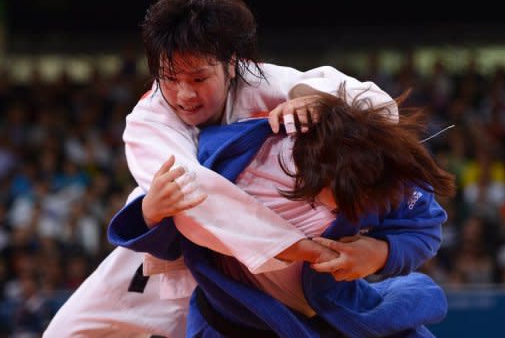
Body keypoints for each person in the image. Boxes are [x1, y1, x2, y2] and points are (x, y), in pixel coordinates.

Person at [44, 0, 399, 338]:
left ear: (231, 65)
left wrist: (319, 102)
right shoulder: (148, 119)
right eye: (170, 78)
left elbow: (383, 109)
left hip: (254, 275)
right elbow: (194, 194)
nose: (184, 94)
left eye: (199, 78)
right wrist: (298, 248)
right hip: (168, 265)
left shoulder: (259, 81)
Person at [108, 90, 456, 337]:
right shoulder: (230, 160)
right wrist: (151, 213)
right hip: (236, 321)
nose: (338, 212)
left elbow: (424, 227)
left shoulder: (380, 174)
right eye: (333, 199)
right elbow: (180, 237)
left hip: (338, 313)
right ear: (314, 168)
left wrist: (381, 254)